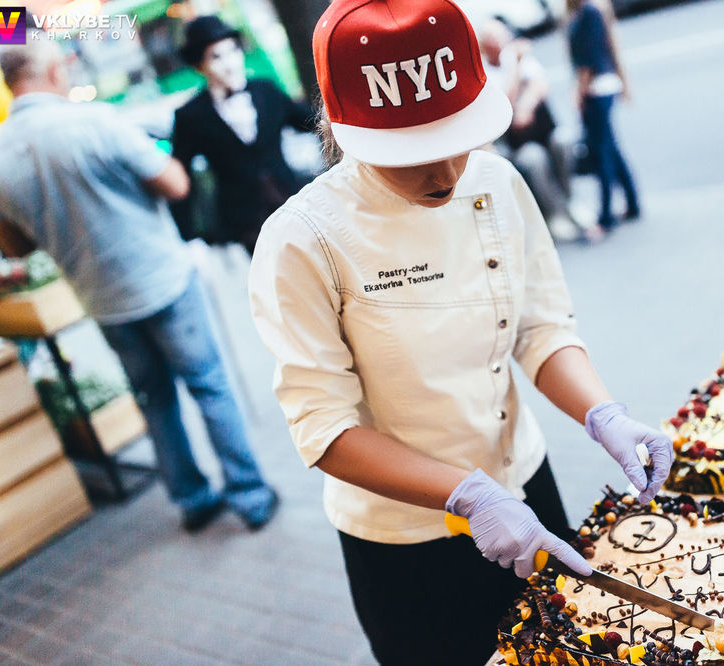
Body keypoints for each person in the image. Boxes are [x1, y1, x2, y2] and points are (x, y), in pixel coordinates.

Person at [247, 1, 672, 664]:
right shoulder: (302, 239)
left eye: (455, 137)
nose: (445, 172)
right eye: (411, 152)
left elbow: (538, 328)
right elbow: (324, 429)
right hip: (406, 541)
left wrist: (602, 412)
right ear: (342, 128)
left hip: (526, 489)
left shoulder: (497, 181)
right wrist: (466, 495)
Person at [0, 40, 279, 533]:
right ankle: (250, 496)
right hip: (162, 279)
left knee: (153, 399)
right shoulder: (95, 122)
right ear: (52, 72)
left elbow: (14, 248)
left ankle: (192, 499)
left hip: (99, 298)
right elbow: (175, 184)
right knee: (208, 385)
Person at [172, 15, 316, 255]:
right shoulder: (191, 115)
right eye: (216, 57)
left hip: (292, 202)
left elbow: (309, 122)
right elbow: (181, 177)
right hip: (246, 222)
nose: (229, 64)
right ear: (199, 66)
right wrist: (188, 236)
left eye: (233, 51)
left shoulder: (266, 90)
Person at [478, 19, 601, 243]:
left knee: (563, 142)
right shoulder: (488, 72)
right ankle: (554, 213)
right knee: (534, 159)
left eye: (501, 36)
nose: (501, 42)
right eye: (493, 39)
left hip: (544, 130)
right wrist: (515, 66)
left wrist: (526, 104)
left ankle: (571, 201)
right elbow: (504, 102)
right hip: (517, 143)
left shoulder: (520, 59)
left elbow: (540, 84)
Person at [567, 0, 641, 232]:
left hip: (596, 88)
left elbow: (588, 57)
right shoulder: (588, 11)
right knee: (611, 149)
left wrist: (579, 91)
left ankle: (606, 216)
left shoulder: (589, 12)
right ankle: (632, 203)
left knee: (602, 154)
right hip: (600, 86)